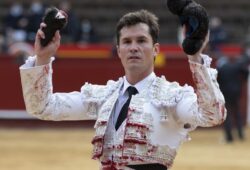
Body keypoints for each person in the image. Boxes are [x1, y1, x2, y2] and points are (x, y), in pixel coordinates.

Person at [19, 9, 226, 170]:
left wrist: (195, 57)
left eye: (141, 41)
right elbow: (42, 106)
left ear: (155, 49)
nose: (133, 47)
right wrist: (43, 58)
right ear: (119, 51)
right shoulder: (103, 96)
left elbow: (213, 114)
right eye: (127, 42)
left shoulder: (172, 97)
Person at [217, 41, 250, 143]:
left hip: (225, 92)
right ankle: (240, 134)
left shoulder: (221, 68)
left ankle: (229, 137)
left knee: (227, 114)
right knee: (237, 112)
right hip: (236, 91)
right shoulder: (236, 66)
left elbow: (217, 82)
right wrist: (243, 80)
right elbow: (246, 72)